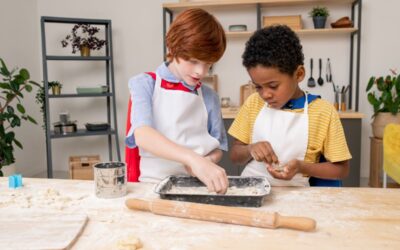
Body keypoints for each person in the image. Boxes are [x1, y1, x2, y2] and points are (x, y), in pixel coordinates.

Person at [228, 25, 351, 186]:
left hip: (297, 196)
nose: (265, 95)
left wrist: (301, 167)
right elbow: (235, 155)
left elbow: (341, 170)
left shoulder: (322, 112)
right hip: (251, 189)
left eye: (273, 86)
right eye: (258, 87)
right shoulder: (253, 103)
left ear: (298, 74)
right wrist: (250, 149)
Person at [125, 8, 228, 193]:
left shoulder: (210, 97)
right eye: (194, 61)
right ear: (173, 49)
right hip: (151, 186)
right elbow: (143, 135)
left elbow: (219, 147)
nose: (201, 72)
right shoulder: (145, 84)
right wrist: (192, 159)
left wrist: (207, 162)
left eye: (208, 64)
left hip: (198, 187)